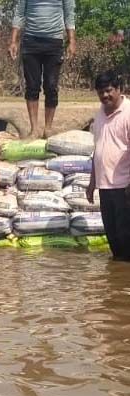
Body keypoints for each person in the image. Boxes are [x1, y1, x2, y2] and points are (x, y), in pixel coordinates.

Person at [9, 0, 76, 138]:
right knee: (32, 86)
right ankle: (34, 129)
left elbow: (69, 14)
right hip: (31, 41)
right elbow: (19, 13)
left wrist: (72, 41)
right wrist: (13, 41)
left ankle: (48, 129)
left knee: (51, 87)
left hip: (54, 41)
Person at [86, 71, 130, 261]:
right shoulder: (99, 114)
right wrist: (92, 183)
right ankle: (116, 283)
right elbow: (98, 149)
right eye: (100, 92)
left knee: (126, 237)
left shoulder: (128, 113)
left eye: (108, 91)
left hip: (124, 188)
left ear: (120, 89)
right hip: (105, 187)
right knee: (112, 237)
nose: (104, 96)